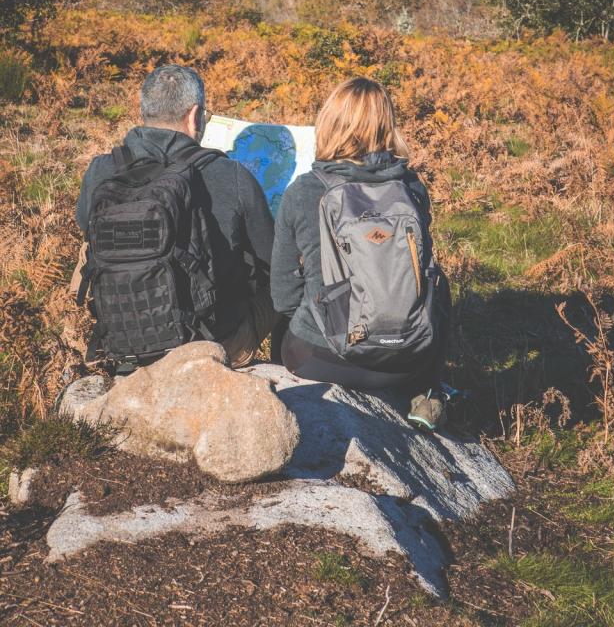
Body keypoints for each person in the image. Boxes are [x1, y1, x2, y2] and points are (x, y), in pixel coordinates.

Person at [270, 77, 451, 430]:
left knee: (286, 315)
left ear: (328, 123)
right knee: (439, 284)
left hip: (318, 359)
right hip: (405, 365)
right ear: (388, 125)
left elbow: (281, 295)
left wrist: (317, 317)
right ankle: (428, 394)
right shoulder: (411, 187)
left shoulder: (305, 190)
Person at [74, 64, 281, 368]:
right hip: (212, 344)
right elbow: (271, 260)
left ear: (144, 110)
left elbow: (85, 229)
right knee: (287, 283)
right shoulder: (230, 174)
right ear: (195, 115)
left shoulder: (101, 170)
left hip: (124, 343)